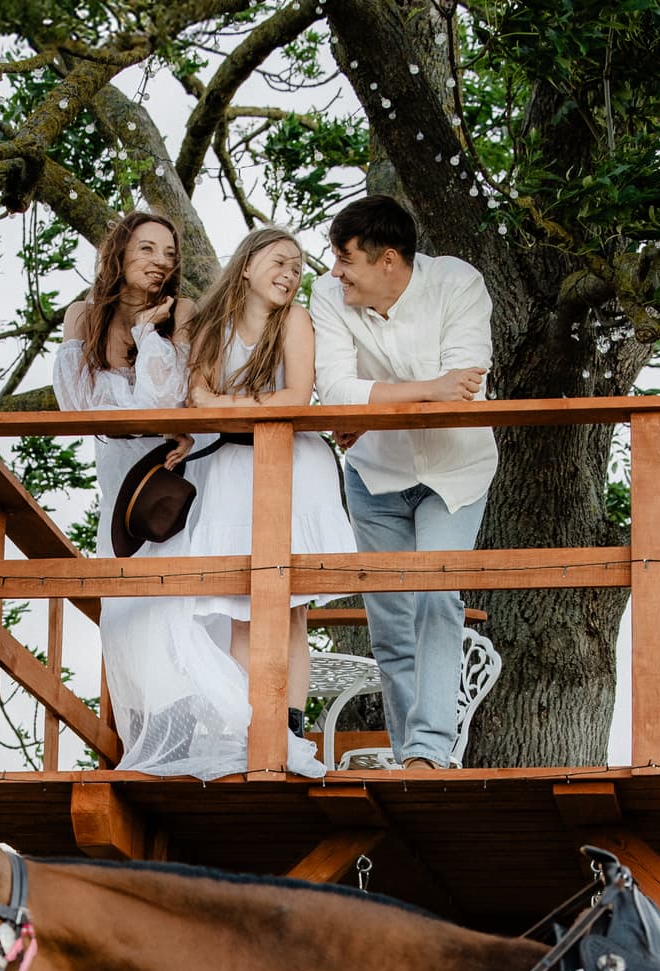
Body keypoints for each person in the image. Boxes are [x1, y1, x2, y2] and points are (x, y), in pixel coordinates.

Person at [52, 212, 252, 780]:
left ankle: (200, 738)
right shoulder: (83, 317)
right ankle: (155, 741)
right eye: (147, 248)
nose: (161, 260)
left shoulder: (180, 313)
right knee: (127, 614)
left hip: (168, 477)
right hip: (118, 476)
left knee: (179, 606)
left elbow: (165, 399)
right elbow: (78, 409)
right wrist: (130, 414)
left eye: (168, 252)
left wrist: (148, 334)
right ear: (118, 254)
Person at [310, 194, 496, 770]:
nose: (335, 272)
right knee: (389, 621)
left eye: (346, 260)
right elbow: (335, 391)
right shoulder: (327, 297)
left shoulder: (457, 284)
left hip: (454, 474)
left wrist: (373, 406)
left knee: (437, 600)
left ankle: (430, 753)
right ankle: (405, 752)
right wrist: (424, 388)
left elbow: (462, 387)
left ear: (388, 260)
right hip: (375, 475)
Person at [179, 227, 358, 777]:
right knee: (242, 613)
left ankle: (289, 731)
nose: (290, 273)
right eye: (280, 261)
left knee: (292, 613)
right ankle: (246, 726)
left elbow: (296, 397)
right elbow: (196, 400)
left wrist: (227, 402)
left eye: (298, 266)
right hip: (233, 468)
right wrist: (237, 406)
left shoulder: (295, 321)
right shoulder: (211, 326)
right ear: (249, 265)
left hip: (296, 466)